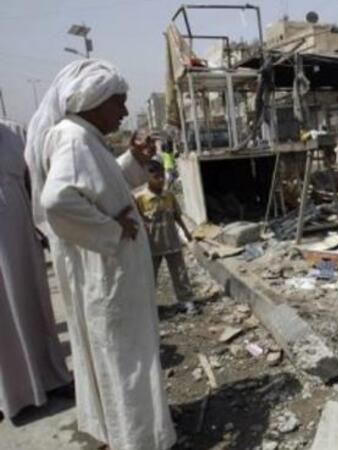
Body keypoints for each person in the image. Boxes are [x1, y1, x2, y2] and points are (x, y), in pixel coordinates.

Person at [24, 59, 176, 450]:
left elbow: (101, 185)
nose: (124, 111)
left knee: (122, 357)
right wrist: (111, 229)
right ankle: (136, 440)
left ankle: (129, 434)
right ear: (93, 100)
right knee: (125, 358)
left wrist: (133, 161)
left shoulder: (83, 136)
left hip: (111, 271)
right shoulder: (74, 138)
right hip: (107, 272)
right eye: (118, 102)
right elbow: (57, 201)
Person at [0, 119, 72, 421]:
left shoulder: (15, 133)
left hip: (19, 235)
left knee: (32, 304)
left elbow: (37, 184)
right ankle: (8, 397)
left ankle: (50, 378)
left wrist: (43, 228)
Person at [136, 156, 194, 304]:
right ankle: (148, 304)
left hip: (172, 242)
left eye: (162, 175)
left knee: (180, 273)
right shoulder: (140, 199)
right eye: (156, 177)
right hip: (152, 246)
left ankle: (186, 300)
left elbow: (177, 216)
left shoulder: (169, 195)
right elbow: (137, 221)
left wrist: (186, 232)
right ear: (147, 177)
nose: (161, 180)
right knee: (150, 276)